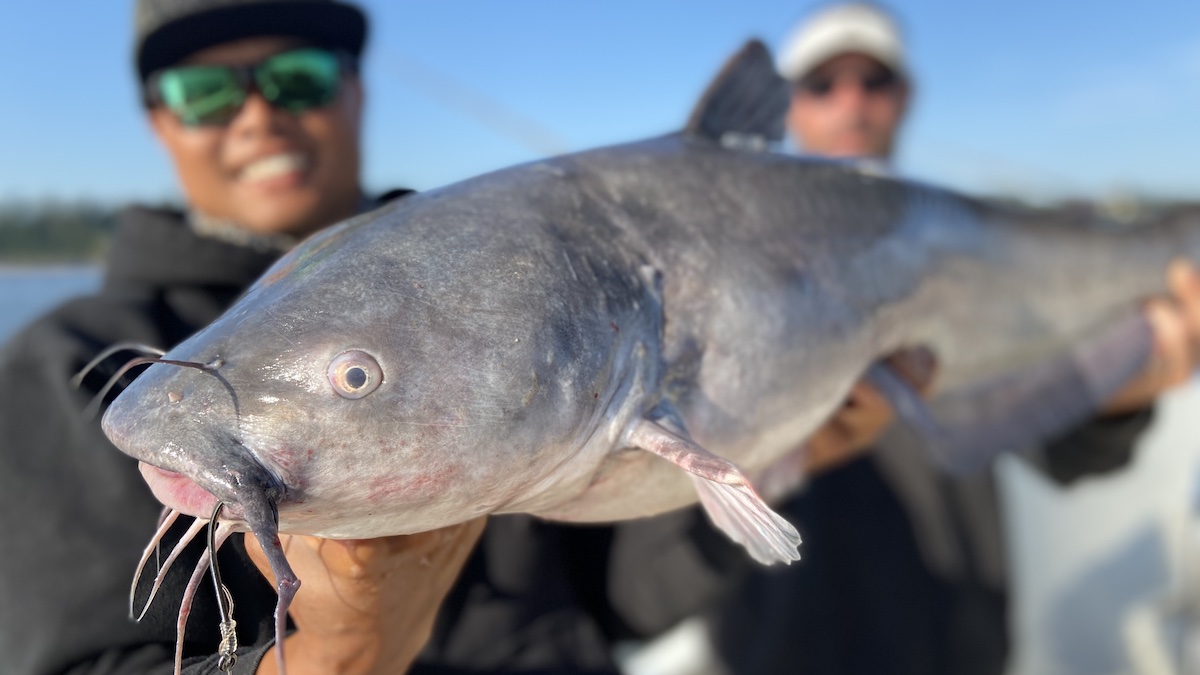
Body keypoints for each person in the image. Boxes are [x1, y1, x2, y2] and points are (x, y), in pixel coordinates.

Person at [0, 2, 654, 673]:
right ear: (161, 124)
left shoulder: (518, 301)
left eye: (299, 77)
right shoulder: (69, 364)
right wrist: (339, 655)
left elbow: (622, 591)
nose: (257, 117)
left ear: (356, 92)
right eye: (205, 94)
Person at [707, 3, 1200, 674]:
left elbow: (1067, 453)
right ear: (789, 105)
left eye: (873, 81)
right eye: (823, 84)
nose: (851, 103)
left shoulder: (985, 251)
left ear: (904, 98)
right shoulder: (720, 253)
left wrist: (1125, 392)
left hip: (961, 648)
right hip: (773, 649)